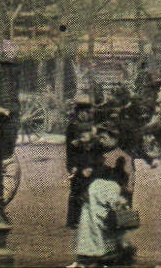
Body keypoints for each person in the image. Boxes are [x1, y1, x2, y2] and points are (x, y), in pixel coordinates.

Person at [74, 128, 136, 267]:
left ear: (115, 139)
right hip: (95, 197)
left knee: (111, 226)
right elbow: (90, 175)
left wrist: (126, 198)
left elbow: (129, 180)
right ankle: (94, 255)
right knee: (92, 226)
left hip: (112, 196)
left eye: (104, 137)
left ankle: (115, 255)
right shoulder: (97, 154)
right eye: (100, 137)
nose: (101, 140)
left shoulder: (123, 157)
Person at [66, 97, 99, 230]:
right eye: (86, 112)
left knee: (86, 189)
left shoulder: (86, 126)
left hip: (86, 162)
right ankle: (73, 220)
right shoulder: (73, 126)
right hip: (76, 162)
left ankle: (81, 218)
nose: (88, 115)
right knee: (76, 190)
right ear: (80, 112)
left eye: (89, 113)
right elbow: (72, 147)